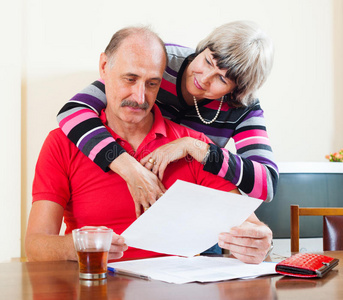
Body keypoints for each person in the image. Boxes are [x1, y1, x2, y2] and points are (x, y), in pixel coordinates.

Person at [26, 26, 272, 264]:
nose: (139, 97)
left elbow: (254, 210)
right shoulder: (63, 142)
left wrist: (259, 240)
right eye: (129, 79)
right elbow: (36, 245)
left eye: (152, 83)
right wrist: (81, 244)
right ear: (104, 68)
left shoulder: (200, 143)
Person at [57, 21, 279, 218]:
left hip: (194, 210)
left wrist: (194, 146)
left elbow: (266, 184)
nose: (205, 78)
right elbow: (73, 111)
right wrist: (129, 167)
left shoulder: (243, 107)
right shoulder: (161, 61)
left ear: (236, 91)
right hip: (126, 190)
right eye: (208, 61)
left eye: (222, 78)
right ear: (203, 49)